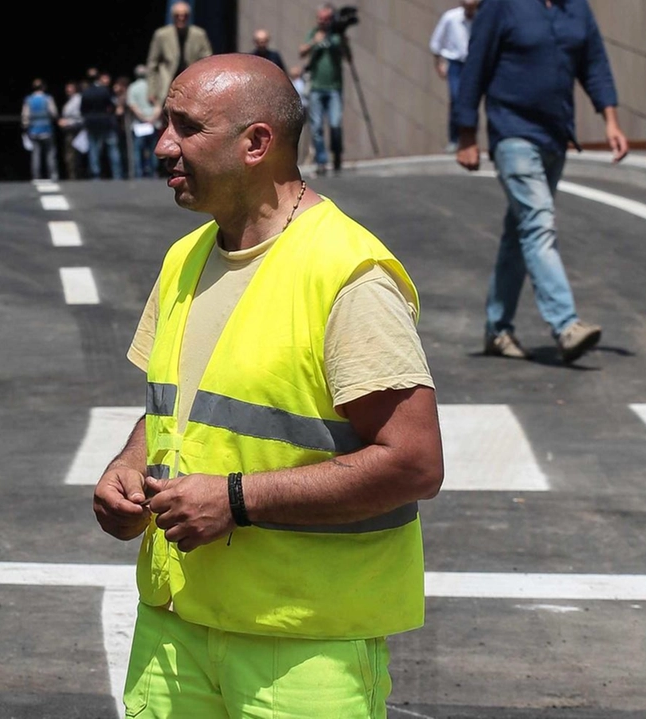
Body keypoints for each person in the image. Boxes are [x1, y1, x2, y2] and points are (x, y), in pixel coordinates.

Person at [93, 54, 442, 718]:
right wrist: (127, 465)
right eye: (166, 123)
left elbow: (415, 462)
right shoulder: (184, 258)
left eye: (186, 126)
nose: (163, 143)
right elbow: (173, 409)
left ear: (256, 143)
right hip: (176, 629)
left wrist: (236, 499)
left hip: (303, 646)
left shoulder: (346, 272)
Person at [454, 0, 627, 363]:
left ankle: (497, 328)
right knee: (538, 224)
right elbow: (476, 67)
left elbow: (594, 63)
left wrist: (610, 121)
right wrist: (466, 132)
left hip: (555, 137)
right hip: (513, 132)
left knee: (519, 234)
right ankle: (565, 324)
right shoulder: (502, 6)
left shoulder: (576, 9)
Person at [299, 3, 345, 176]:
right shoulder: (314, 33)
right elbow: (301, 51)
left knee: (334, 124)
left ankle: (337, 153)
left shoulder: (337, 36)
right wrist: (314, 42)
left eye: (326, 19)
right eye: (320, 19)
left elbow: (348, 57)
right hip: (317, 88)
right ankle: (322, 161)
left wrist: (341, 41)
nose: (322, 22)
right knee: (316, 126)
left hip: (334, 87)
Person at [429, 0, 479, 153]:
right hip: (456, 64)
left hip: (474, 64)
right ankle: (454, 138)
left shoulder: (483, 18)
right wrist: (438, 64)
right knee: (457, 99)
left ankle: (470, 139)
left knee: (472, 102)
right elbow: (436, 43)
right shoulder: (451, 18)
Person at [145, 2, 213, 107]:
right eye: (178, 16)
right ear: (172, 17)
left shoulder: (199, 35)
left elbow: (208, 61)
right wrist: (152, 91)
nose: (181, 18)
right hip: (168, 86)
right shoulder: (161, 35)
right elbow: (152, 64)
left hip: (191, 86)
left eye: (184, 16)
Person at [81, 72, 124, 180]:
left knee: (94, 149)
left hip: (91, 123)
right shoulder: (104, 91)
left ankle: (95, 173)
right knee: (112, 148)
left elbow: (82, 109)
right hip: (106, 121)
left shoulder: (86, 92)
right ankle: (117, 173)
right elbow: (111, 105)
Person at [21, 79, 59, 181]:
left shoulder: (28, 99)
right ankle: (53, 175)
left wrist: (25, 127)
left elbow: (25, 115)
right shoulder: (48, 98)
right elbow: (53, 112)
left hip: (34, 131)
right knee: (50, 154)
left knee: (35, 155)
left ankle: (36, 176)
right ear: (43, 87)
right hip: (47, 130)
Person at [126, 65, 160, 179]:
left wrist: (143, 118)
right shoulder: (152, 87)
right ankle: (153, 171)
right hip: (152, 123)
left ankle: (138, 173)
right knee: (153, 149)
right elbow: (158, 105)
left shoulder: (133, 87)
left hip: (139, 123)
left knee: (137, 150)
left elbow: (133, 106)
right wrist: (152, 118)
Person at [60, 81, 86, 180]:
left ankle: (76, 175)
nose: (68, 90)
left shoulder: (78, 99)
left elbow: (79, 116)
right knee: (70, 155)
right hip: (69, 129)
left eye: (70, 88)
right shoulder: (70, 100)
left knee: (73, 155)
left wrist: (67, 122)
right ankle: (72, 175)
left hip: (75, 130)